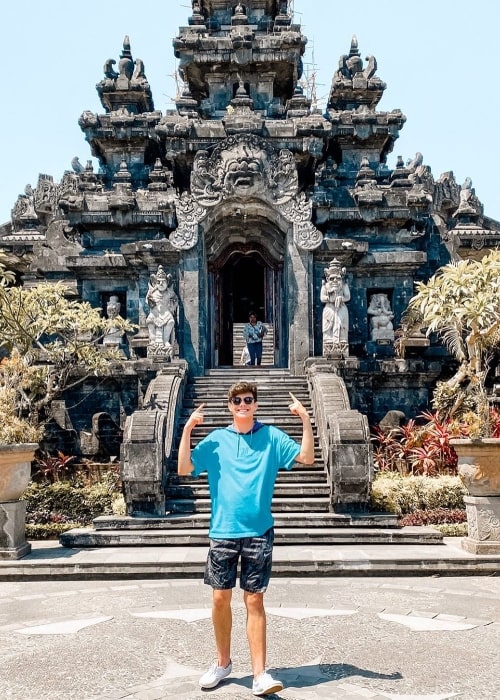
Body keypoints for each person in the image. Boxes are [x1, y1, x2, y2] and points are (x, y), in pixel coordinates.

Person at [177, 381, 314, 696]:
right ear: (229, 405)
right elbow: (185, 468)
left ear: (256, 404)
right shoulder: (216, 440)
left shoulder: (271, 437)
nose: (243, 404)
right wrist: (187, 429)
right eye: (237, 400)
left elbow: (306, 458)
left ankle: (259, 674)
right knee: (219, 598)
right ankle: (223, 663)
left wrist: (305, 419)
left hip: (258, 531)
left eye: (248, 400)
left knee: (254, 600)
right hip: (223, 531)